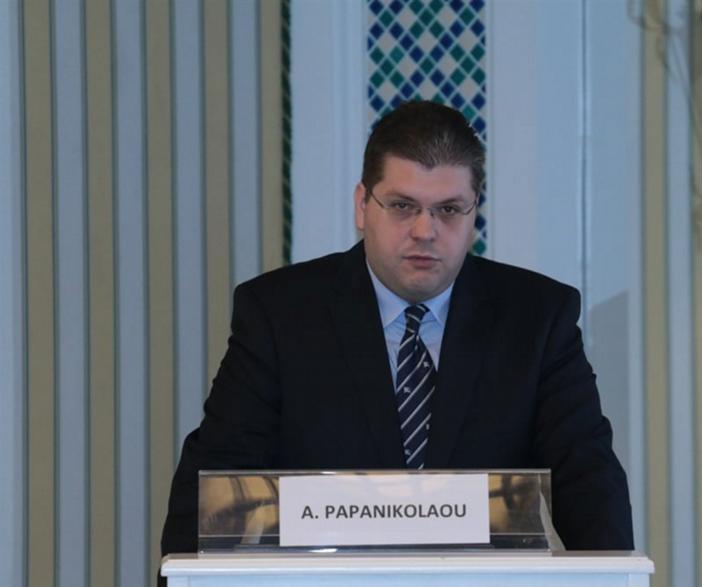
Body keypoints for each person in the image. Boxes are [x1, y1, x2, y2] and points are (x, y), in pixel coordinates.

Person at [160, 100, 633, 556]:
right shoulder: (279, 315)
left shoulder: (537, 319)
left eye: (449, 209)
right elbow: (213, 490)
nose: (425, 231)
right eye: (403, 206)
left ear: (474, 214)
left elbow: (588, 481)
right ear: (362, 205)